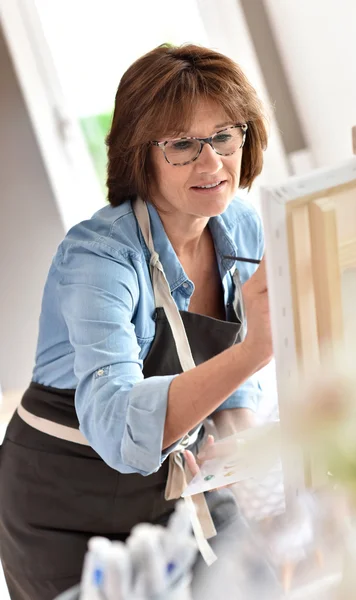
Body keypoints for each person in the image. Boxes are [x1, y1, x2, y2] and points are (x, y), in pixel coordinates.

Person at [0, 43, 272, 600]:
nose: (212, 162)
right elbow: (120, 429)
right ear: (137, 154)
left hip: (179, 474)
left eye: (224, 135)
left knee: (260, 580)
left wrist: (237, 438)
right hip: (65, 501)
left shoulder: (241, 227)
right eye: (181, 144)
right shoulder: (97, 258)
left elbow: (233, 383)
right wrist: (253, 353)